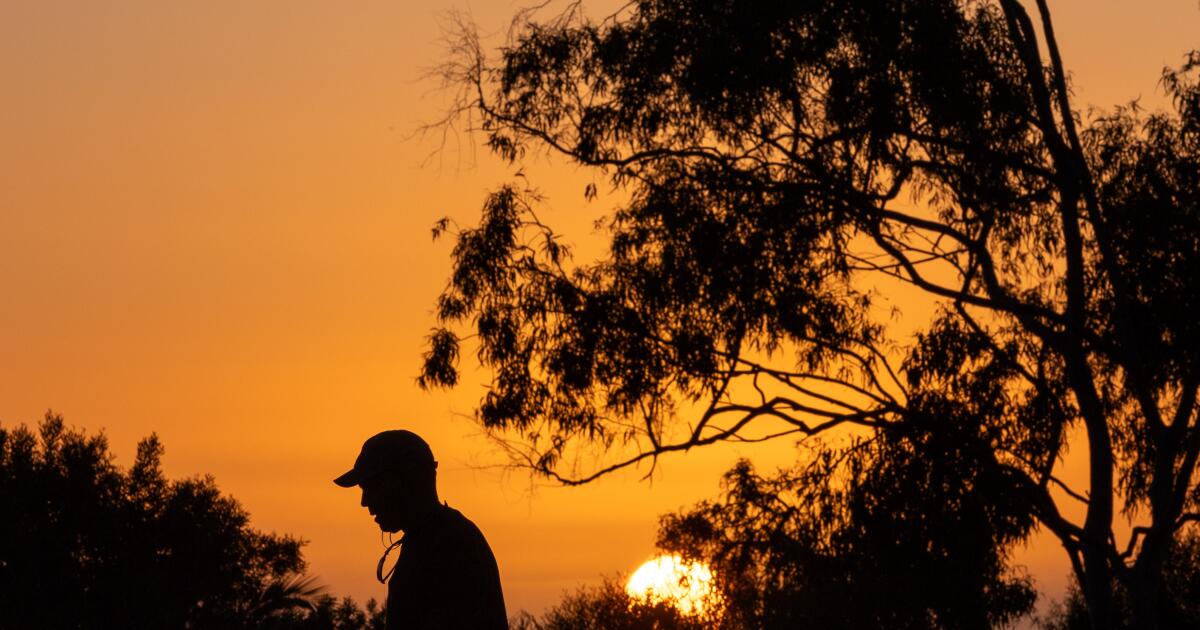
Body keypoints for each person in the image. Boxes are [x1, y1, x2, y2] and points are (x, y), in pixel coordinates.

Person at [335, 430, 508, 629]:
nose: (364, 502)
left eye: (372, 487)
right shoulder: (432, 539)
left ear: (403, 481)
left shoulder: (450, 546)